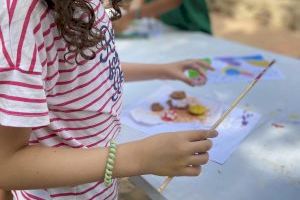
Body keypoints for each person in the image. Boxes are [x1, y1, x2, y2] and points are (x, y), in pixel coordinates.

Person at [0, 0, 217, 199]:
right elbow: (6, 166)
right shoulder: (22, 22)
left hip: (98, 185)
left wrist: (162, 70)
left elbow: (87, 68)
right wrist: (138, 157)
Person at [114, 0, 212, 34]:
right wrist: (130, 14)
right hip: (169, 27)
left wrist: (131, 16)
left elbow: (172, 2)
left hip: (192, 26)